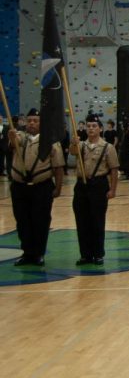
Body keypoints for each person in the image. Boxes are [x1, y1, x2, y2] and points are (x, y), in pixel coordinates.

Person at [7, 108, 65, 266]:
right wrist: (11, 136)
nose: (31, 123)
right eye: (29, 120)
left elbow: (58, 167)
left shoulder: (50, 141)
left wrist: (58, 188)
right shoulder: (20, 136)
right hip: (20, 187)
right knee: (22, 221)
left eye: (35, 120)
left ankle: (39, 253)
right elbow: (14, 143)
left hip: (41, 186)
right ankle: (27, 252)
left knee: (40, 221)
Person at [70, 114, 119, 265]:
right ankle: (85, 254)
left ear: (100, 129)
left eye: (94, 126)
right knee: (82, 221)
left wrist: (112, 190)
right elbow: (72, 152)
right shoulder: (80, 145)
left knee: (97, 221)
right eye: (88, 126)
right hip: (81, 186)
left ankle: (98, 253)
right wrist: (73, 143)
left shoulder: (107, 147)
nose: (91, 129)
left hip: (98, 185)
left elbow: (114, 169)